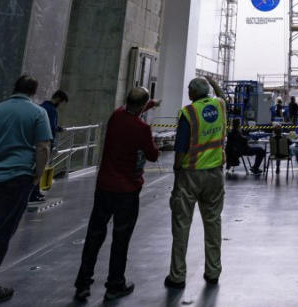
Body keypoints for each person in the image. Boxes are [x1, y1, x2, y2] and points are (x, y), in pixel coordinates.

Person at [0, 76, 53, 305]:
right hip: (16, 178)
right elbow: (43, 146)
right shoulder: (37, 113)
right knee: (0, 233)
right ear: (33, 92)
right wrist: (38, 174)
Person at [73, 87, 160, 301]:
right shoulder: (142, 128)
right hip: (127, 191)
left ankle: (83, 284)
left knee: (94, 236)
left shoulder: (115, 117)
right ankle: (115, 284)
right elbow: (153, 155)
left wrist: (149, 104)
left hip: (104, 187)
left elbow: (131, 109)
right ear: (142, 106)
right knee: (121, 239)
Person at [166, 76, 227, 289]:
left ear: (192, 93)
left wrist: (176, 175)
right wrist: (213, 82)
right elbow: (222, 95)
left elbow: (180, 149)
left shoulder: (188, 113)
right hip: (215, 175)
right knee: (213, 222)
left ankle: (177, 275)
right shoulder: (219, 106)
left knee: (182, 225)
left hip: (190, 174)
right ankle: (213, 271)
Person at [31, 89, 69, 202]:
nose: (60, 105)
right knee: (40, 168)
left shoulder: (41, 107)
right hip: (46, 143)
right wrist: (59, 129)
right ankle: (34, 194)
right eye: (61, 102)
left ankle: (35, 192)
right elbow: (51, 127)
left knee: (36, 168)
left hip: (36, 142)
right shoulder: (51, 110)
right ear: (58, 99)